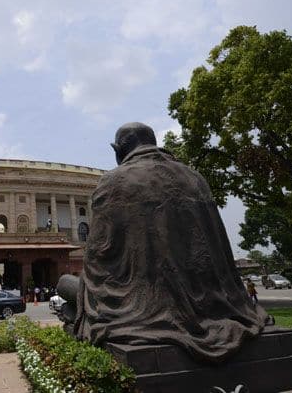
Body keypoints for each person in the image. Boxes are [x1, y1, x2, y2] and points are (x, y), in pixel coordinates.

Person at [74, 122, 268, 363]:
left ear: (119, 149)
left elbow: (98, 255)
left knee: (70, 287)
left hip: (142, 306)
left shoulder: (113, 181)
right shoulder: (196, 178)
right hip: (219, 305)